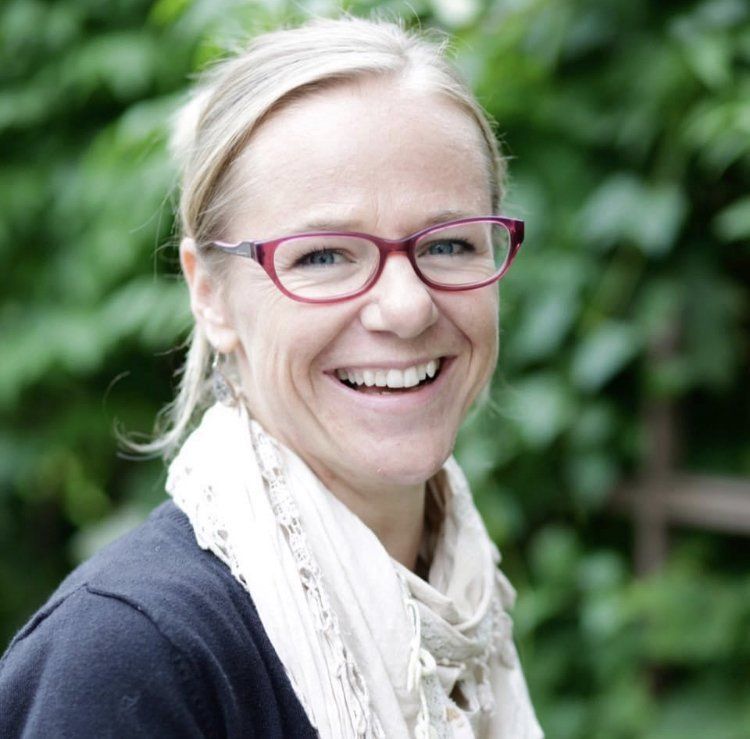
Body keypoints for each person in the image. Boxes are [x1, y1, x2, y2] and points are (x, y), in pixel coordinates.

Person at [0, 16, 544, 739]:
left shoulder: (464, 611)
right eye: (324, 255)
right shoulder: (129, 660)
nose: (408, 307)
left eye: (448, 244)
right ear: (210, 294)